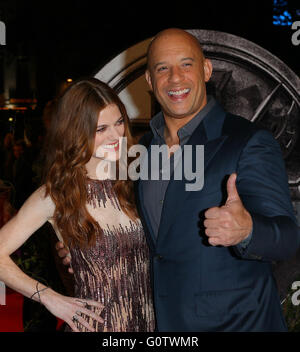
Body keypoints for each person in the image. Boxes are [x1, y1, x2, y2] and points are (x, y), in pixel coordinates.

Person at [57, 28, 300, 332]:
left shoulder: (248, 141)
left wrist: (248, 230)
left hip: (237, 325)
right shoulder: (141, 151)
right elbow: (150, 237)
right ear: (149, 80)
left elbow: (288, 237)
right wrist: (93, 244)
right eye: (163, 68)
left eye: (186, 64)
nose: (175, 78)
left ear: (206, 70)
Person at [0, 78, 155, 332]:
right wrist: (50, 298)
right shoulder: (57, 195)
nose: (116, 135)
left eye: (118, 123)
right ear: (77, 132)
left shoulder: (136, 180)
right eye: (101, 128)